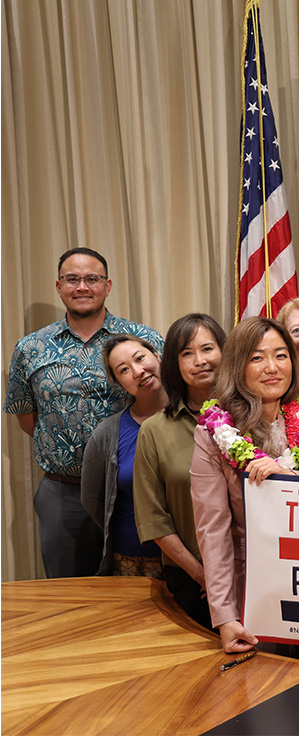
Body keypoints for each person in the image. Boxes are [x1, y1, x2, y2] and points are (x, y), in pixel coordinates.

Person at [4, 247, 163, 577]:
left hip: (133, 490)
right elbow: (27, 418)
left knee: (138, 595)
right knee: (69, 596)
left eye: (92, 279)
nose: (82, 287)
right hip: (64, 494)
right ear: (58, 286)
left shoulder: (144, 340)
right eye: (72, 279)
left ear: (107, 285)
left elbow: (166, 401)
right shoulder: (29, 348)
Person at [190, 317, 299, 653]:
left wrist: (285, 477)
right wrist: (224, 615)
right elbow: (213, 530)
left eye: (281, 355)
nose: (272, 367)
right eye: (257, 357)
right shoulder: (213, 433)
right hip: (252, 588)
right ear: (238, 365)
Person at [134, 313, 227, 628]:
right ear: (174, 364)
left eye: (207, 349)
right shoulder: (154, 430)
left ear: (225, 353)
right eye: (187, 353)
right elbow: (153, 520)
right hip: (191, 578)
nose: (199, 360)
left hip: (254, 571)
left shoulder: (251, 418)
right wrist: (204, 575)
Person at [81, 335, 167, 577]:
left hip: (198, 557)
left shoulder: (199, 417)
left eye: (141, 358)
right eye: (124, 370)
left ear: (157, 357)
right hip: (133, 560)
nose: (138, 371)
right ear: (119, 384)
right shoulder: (108, 433)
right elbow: (93, 499)